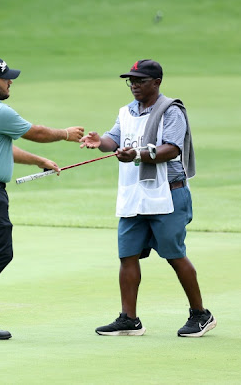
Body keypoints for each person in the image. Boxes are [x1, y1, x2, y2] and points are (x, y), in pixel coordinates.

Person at [0, 56, 85, 339]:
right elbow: (37, 132)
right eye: (6, 78)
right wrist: (66, 134)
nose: (11, 82)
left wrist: (38, 160)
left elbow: (2, 149)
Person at [80, 59, 216, 337]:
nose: (134, 85)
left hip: (168, 192)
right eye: (131, 80)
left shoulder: (171, 110)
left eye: (140, 80)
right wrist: (99, 142)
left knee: (175, 255)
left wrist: (139, 155)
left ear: (156, 83)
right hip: (134, 195)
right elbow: (113, 140)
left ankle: (201, 314)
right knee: (127, 255)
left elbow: (171, 149)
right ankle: (129, 319)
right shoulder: (126, 111)